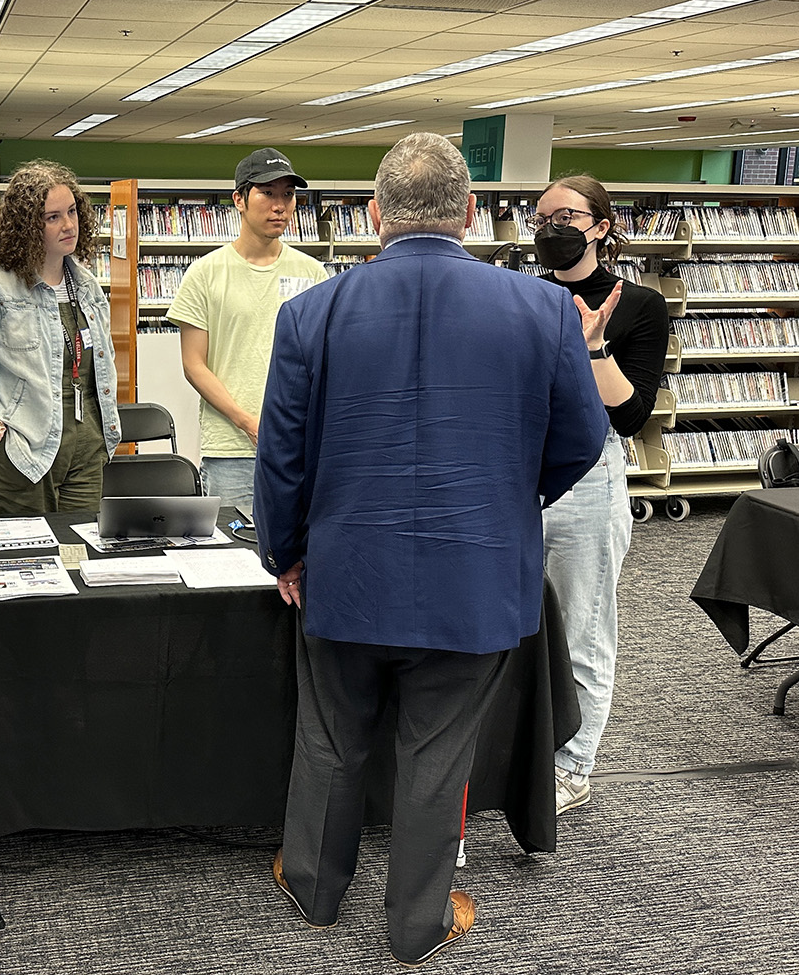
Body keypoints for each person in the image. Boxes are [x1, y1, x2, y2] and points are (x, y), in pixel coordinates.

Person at [254, 133, 609, 967]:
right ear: (471, 214)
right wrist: (509, 504)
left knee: (330, 736)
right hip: (477, 574)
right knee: (435, 752)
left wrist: (285, 555)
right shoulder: (543, 310)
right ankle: (417, 923)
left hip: (346, 570)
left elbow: (282, 457)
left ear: (374, 215)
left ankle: (311, 884)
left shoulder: (311, 311)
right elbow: (577, 441)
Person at [533, 175, 670, 815]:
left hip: (589, 474)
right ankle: (515, 749)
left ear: (601, 226)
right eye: (541, 217)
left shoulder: (639, 305)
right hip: (517, 471)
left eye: (567, 215)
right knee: (511, 618)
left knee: (582, 623)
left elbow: (632, 416)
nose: (552, 227)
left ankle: (572, 765)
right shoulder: (520, 295)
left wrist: (593, 345)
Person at [0, 160, 120, 516]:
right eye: (52, 217)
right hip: (19, 451)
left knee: (79, 553)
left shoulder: (87, 286)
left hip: (85, 449)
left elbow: (101, 363)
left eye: (72, 211)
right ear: (26, 226)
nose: (69, 225)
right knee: (23, 560)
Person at [166, 147, 328, 509]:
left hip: (296, 447)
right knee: (233, 557)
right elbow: (194, 364)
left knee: (297, 561)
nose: (280, 205)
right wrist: (248, 423)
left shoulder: (312, 274)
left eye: (288, 195)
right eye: (267, 193)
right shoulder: (205, 275)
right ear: (239, 199)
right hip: (231, 451)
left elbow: (322, 360)